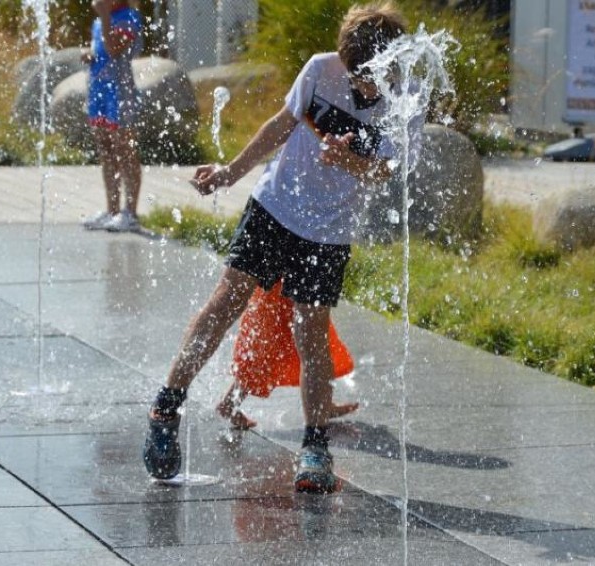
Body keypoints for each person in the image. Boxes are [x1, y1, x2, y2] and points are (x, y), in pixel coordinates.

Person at [143, 1, 416, 493]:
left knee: (310, 332)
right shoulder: (320, 70)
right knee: (224, 305)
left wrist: (350, 163)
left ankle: (314, 448)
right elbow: (280, 124)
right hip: (275, 209)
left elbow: (390, 172)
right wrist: (230, 171)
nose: (363, 86)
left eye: (373, 77)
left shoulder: (406, 99)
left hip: (330, 231)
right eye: (355, 75)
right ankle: (165, 410)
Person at [217, 280, 359, 430]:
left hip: (288, 279)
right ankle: (229, 403)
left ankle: (324, 405)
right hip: (284, 280)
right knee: (270, 348)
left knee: (315, 339)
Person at [81, 0, 144, 233]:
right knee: (106, 149)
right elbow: (102, 50)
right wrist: (89, 54)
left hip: (120, 92)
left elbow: (114, 49)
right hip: (99, 91)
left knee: (124, 149)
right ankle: (112, 210)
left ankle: (131, 213)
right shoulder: (99, 20)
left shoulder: (129, 17)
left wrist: (106, 15)